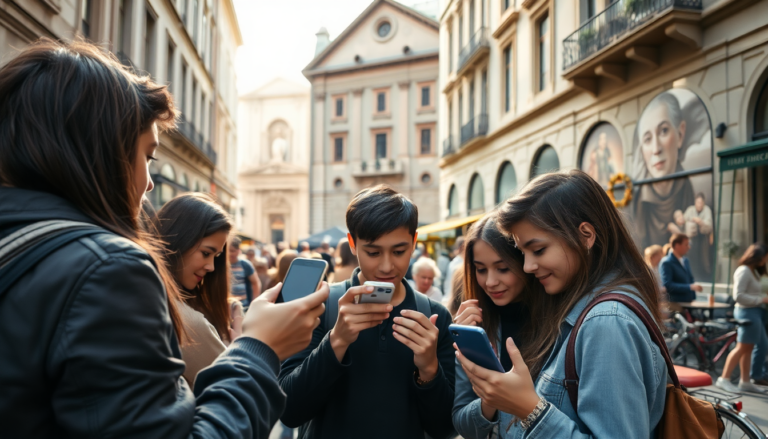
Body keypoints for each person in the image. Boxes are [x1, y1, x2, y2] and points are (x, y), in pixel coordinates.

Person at [0, 39, 328, 438]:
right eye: (147, 156)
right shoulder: (109, 271)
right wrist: (260, 349)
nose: (150, 182)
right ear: (101, 153)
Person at [455, 170, 667, 438]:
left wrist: (529, 409)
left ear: (585, 235)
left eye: (539, 250)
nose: (529, 266)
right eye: (522, 253)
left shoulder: (606, 321)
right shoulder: (582, 308)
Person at [279, 185, 456, 439]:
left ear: (414, 242)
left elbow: (445, 429)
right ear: (352, 244)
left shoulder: (433, 316)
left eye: (399, 251)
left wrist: (429, 369)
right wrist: (336, 341)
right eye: (373, 252)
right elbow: (290, 410)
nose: (387, 266)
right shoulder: (320, 305)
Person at [452, 213, 540, 438]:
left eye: (502, 268)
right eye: (481, 269)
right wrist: (490, 394)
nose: (490, 282)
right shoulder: (475, 324)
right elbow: (463, 425)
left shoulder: (559, 319)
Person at [154, 193, 236, 387]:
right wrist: (244, 345)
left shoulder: (150, 297)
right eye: (206, 253)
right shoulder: (188, 323)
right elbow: (238, 389)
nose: (211, 267)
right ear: (177, 240)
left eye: (215, 256)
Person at [633, 92, 695, 252]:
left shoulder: (688, 192)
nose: (656, 149)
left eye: (664, 131)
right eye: (647, 139)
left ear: (680, 134)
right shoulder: (635, 202)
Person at [716, 243, 768, 393]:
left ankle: (745, 381)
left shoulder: (752, 271)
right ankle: (724, 378)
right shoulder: (744, 270)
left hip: (754, 312)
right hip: (747, 312)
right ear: (758, 256)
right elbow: (738, 296)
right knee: (743, 347)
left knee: (749, 347)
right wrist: (761, 299)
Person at [659, 233, 703, 308]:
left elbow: (690, 280)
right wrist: (690, 287)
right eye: (686, 245)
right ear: (677, 245)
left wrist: (693, 296)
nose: (688, 247)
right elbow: (668, 285)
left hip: (689, 304)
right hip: (675, 305)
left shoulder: (686, 261)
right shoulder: (666, 262)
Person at [683, 193, 714, 280]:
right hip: (691, 238)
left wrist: (700, 222)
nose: (699, 204)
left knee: (704, 259)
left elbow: (709, 226)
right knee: (691, 257)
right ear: (695, 202)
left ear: (703, 202)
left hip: (703, 238)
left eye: (701, 202)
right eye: (698, 202)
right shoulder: (690, 210)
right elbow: (683, 220)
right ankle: (691, 275)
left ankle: (706, 277)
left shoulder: (707, 210)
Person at [230, 236, 260, 305]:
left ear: (238, 250)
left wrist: (254, 301)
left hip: (244, 305)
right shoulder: (220, 265)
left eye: (232, 251)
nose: (230, 253)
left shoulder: (245, 264)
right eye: (228, 251)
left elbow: (255, 283)